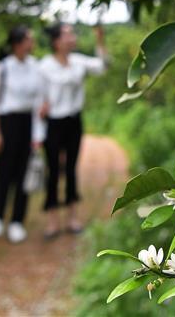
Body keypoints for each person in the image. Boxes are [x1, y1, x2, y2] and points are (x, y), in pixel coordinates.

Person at [38, 23, 107, 237]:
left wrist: (99, 39)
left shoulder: (78, 61)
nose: (72, 37)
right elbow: (38, 97)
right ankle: (52, 221)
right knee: (52, 171)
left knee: (70, 169)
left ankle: (72, 218)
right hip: (52, 123)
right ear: (56, 41)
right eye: (68, 34)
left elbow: (102, 66)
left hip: (74, 122)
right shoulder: (45, 66)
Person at [0, 25, 43, 244]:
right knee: (3, 173)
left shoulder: (34, 66)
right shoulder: (1, 69)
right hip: (7, 124)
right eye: (29, 39)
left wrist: (38, 135)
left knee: (23, 174)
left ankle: (17, 220)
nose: (32, 42)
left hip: (27, 123)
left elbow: (37, 103)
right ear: (18, 43)